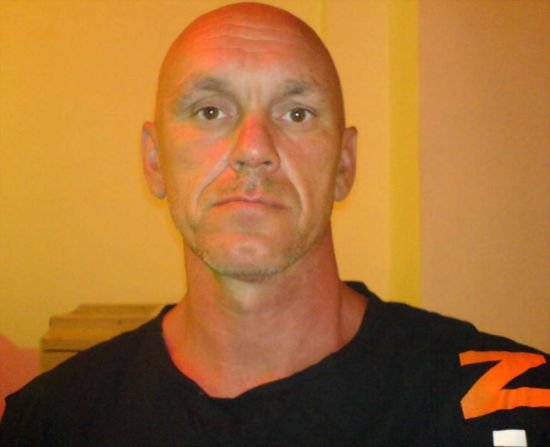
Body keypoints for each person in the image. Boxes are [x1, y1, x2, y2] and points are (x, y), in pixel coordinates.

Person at [1, 3, 548, 446]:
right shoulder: (50, 423)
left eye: (296, 113)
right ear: (153, 160)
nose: (254, 148)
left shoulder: (507, 408)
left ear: (344, 165)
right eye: (210, 111)